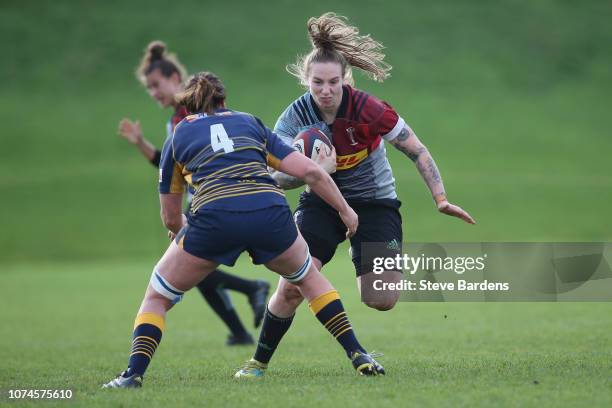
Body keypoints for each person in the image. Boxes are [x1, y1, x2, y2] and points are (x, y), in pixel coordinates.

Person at [102, 72, 385, 388]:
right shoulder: (250, 123)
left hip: (214, 218)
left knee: (157, 296)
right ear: (224, 100)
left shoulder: (179, 135)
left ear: (188, 107)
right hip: (269, 213)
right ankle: (358, 353)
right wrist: (346, 211)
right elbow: (309, 172)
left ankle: (133, 375)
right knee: (308, 278)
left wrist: (185, 234)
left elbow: (170, 217)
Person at [235, 12, 475, 378]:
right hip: (321, 203)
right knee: (293, 286)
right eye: (318, 82)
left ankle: (359, 250)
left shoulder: (369, 109)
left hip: (374, 201)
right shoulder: (294, 120)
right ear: (306, 80)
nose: (326, 90)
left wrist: (440, 198)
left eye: (333, 82)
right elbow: (273, 177)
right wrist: (316, 173)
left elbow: (417, 150)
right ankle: (258, 363)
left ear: (345, 79)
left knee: (381, 298)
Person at [117, 41, 269, 346]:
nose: (152, 92)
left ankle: (252, 291)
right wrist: (140, 143)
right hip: (200, 201)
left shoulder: (191, 111)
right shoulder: (176, 117)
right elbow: (169, 164)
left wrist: (176, 217)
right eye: (148, 88)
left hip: (213, 201)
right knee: (196, 270)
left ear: (175, 78)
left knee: (188, 267)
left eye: (155, 84)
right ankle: (241, 326)